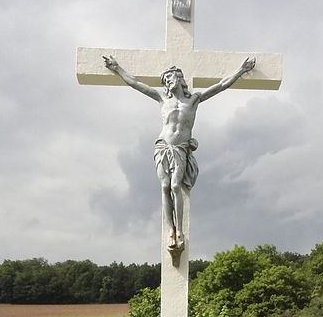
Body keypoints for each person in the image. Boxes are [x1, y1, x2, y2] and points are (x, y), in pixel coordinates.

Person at [103, 54, 256, 251]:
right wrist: (117, 68)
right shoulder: (161, 99)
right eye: (165, 79)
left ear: (179, 79)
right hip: (162, 147)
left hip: (180, 149)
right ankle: (171, 231)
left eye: (170, 77)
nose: (167, 81)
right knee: (165, 185)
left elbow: (221, 85)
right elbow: (136, 83)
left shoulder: (193, 100)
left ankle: (180, 230)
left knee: (176, 185)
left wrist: (241, 71)